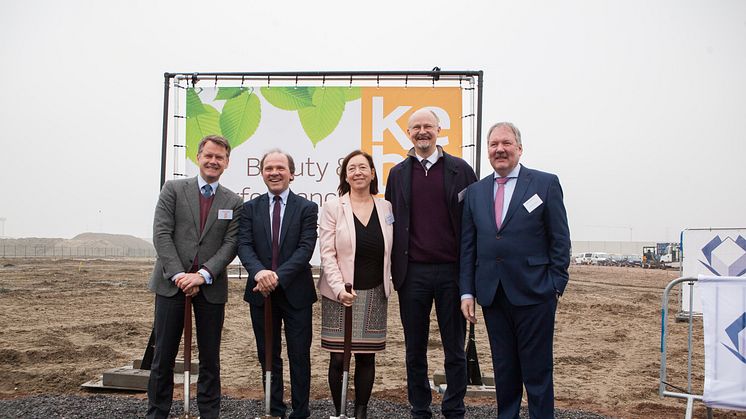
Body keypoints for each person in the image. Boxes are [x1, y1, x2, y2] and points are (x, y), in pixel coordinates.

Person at [459, 122, 570, 418]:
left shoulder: (545, 184)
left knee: (537, 372)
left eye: (506, 143)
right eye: (494, 145)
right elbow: (469, 247)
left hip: (536, 293)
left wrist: (556, 284)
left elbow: (559, 239)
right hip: (493, 295)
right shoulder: (475, 192)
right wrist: (467, 291)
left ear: (519, 148)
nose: (500, 149)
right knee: (504, 370)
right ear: (487, 151)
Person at [385, 109, 477, 419]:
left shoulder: (461, 170)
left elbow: (473, 222)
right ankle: (420, 407)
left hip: (452, 272)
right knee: (415, 349)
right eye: (416, 127)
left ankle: (454, 407)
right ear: (408, 133)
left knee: (454, 348)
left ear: (439, 130)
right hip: (413, 275)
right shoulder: (397, 174)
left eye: (428, 126)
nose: (422, 131)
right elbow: (391, 222)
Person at [146, 135, 243, 419]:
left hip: (210, 288)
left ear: (227, 162)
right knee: (163, 356)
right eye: (208, 155)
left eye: (220, 157)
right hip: (170, 287)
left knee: (210, 358)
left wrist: (201, 275)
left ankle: (209, 413)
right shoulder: (173, 190)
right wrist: (179, 274)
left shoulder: (234, 202)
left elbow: (231, 244)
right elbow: (161, 234)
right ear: (198, 157)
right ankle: (157, 413)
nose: (213, 161)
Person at [237, 149, 318, 419]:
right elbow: (244, 245)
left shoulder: (307, 208)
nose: (274, 172)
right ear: (262, 173)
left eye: (280, 168)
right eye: (268, 168)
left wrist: (277, 276)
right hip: (261, 294)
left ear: (291, 174)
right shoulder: (249, 208)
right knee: (268, 355)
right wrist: (261, 273)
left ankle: (300, 411)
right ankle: (274, 410)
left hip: (296, 293)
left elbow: (305, 249)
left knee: (299, 356)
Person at [318, 150, 394, 419]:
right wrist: (339, 289)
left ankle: (361, 411)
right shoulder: (332, 207)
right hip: (340, 293)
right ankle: (339, 412)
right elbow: (327, 253)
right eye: (352, 168)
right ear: (345, 176)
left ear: (373, 173)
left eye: (364, 167)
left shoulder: (386, 208)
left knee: (366, 356)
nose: (358, 172)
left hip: (375, 291)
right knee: (339, 357)